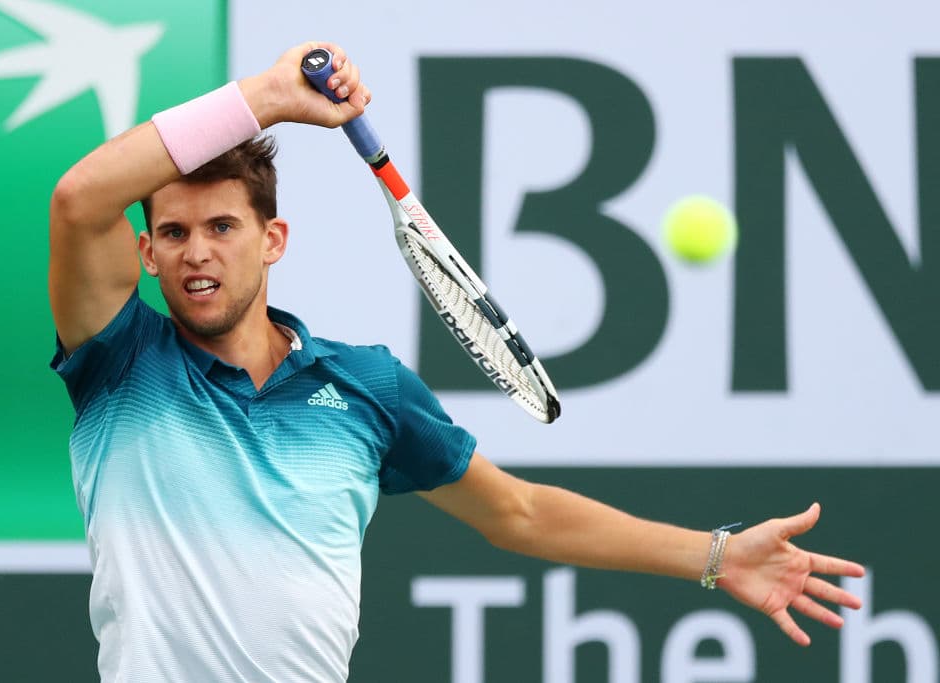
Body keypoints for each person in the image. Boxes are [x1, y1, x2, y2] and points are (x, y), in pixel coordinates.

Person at [48, 41, 865, 682]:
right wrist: (267, 98)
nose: (199, 253)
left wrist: (718, 557)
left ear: (273, 240)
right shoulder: (121, 364)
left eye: (222, 227)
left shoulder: (366, 388)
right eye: (177, 234)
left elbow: (520, 512)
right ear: (146, 254)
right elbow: (79, 199)